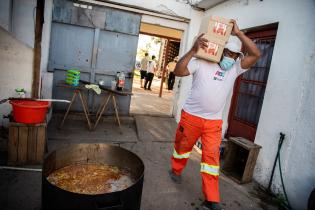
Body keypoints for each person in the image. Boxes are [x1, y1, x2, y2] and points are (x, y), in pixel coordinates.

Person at [169, 19, 260, 210]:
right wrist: (193, 50)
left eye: (235, 55)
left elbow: (256, 54)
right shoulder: (201, 62)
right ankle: (176, 169)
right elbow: (178, 71)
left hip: (213, 123)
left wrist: (239, 33)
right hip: (191, 117)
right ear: (220, 51)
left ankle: (212, 198)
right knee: (182, 147)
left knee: (211, 161)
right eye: (228, 53)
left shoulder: (234, 69)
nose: (231, 57)